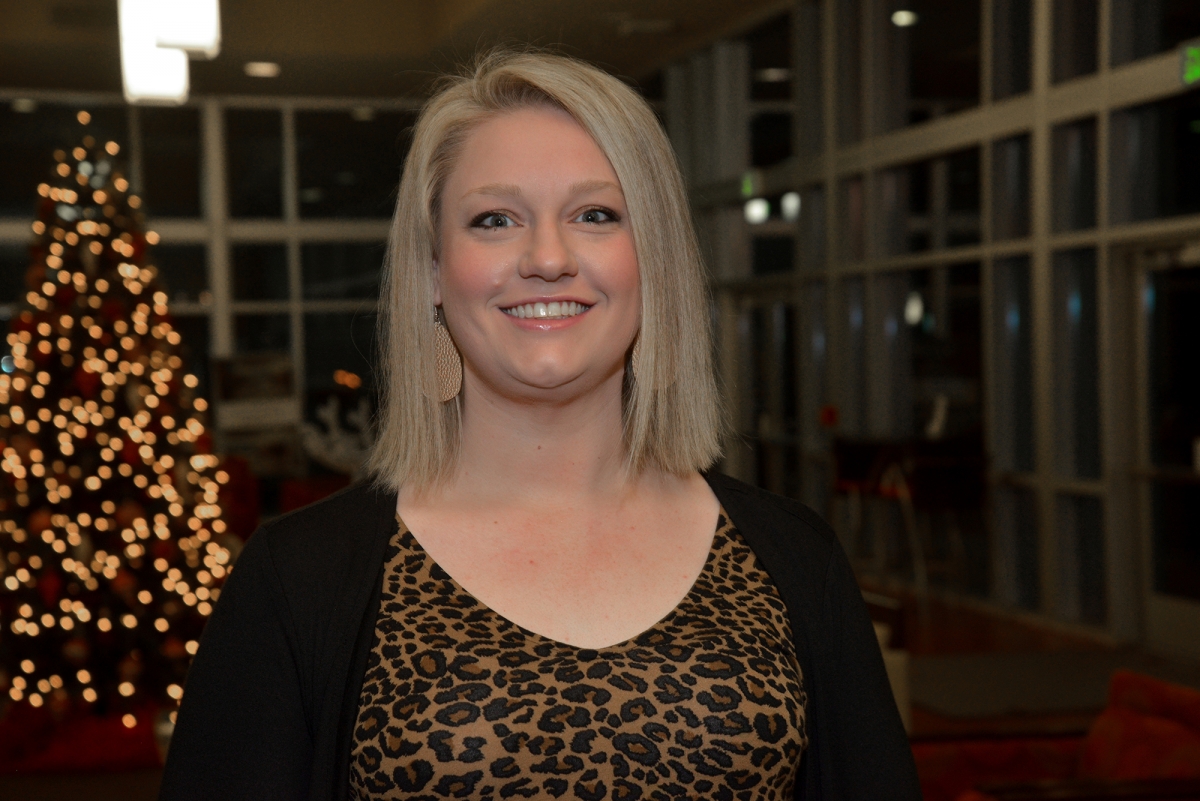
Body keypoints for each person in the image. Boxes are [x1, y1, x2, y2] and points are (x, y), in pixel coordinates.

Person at [159, 50, 920, 801]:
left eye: (595, 215)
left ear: (654, 260)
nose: (547, 257)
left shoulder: (792, 556)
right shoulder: (299, 580)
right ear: (431, 270)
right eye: (495, 219)